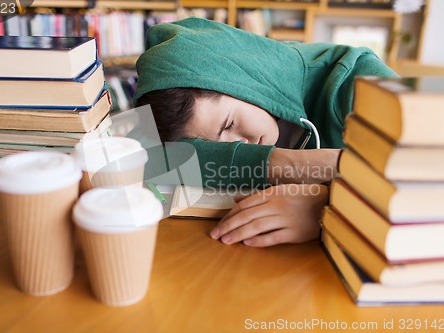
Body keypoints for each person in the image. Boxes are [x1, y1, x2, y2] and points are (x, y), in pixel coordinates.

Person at [133, 17, 398, 247]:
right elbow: (149, 156)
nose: (241, 144)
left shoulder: (359, 81)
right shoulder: (235, 107)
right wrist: (288, 164)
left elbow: (432, 180)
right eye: (214, 145)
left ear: (242, 79)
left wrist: (329, 207)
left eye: (228, 124)